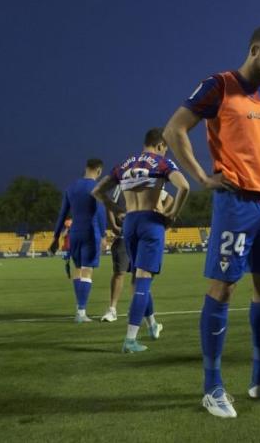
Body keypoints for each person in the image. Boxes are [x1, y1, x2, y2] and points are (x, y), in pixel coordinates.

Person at [162, 24, 260, 418]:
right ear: (255, 49)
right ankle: (212, 387)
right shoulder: (219, 85)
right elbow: (175, 130)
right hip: (235, 202)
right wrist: (202, 178)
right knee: (223, 288)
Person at [92, 128, 189, 352]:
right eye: (165, 149)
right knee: (143, 281)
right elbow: (183, 187)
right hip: (150, 222)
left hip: (130, 222)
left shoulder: (124, 164)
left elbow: (97, 191)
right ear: (161, 146)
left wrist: (116, 209)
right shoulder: (161, 163)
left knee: (138, 280)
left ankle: (153, 325)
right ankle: (130, 340)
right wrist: (172, 215)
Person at [101, 187, 174, 322]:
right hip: (125, 231)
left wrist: (162, 212)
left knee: (138, 274)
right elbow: (110, 204)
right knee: (119, 272)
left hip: (143, 232)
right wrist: (113, 225)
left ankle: (134, 308)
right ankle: (112, 309)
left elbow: (169, 198)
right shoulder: (123, 183)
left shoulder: (150, 181)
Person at [49, 159, 106, 322]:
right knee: (87, 270)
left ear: (86, 168)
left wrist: (55, 236)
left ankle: (79, 309)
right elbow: (100, 212)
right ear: (99, 171)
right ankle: (81, 312)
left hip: (74, 233)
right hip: (90, 232)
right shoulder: (97, 187)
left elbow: (62, 215)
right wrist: (102, 235)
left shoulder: (71, 187)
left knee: (78, 268)